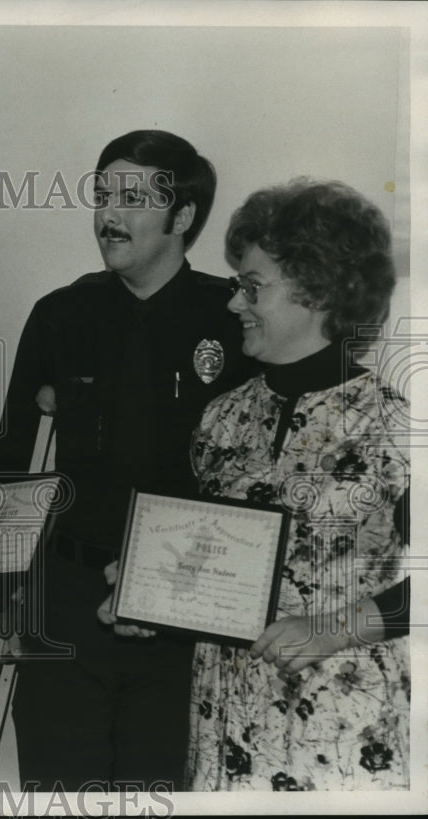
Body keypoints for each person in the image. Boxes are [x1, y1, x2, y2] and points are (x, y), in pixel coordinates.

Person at [0, 130, 256, 791]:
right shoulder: (60, 315)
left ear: (183, 216)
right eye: (103, 194)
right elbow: (12, 462)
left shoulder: (232, 319)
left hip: (184, 615)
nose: (109, 214)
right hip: (68, 609)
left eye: (133, 198)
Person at [184, 179, 410, 790]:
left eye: (252, 286)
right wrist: (151, 590)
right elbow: (207, 561)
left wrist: (334, 628)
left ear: (317, 290)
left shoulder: (396, 423)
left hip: (344, 732)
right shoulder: (220, 417)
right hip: (223, 721)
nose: (234, 303)